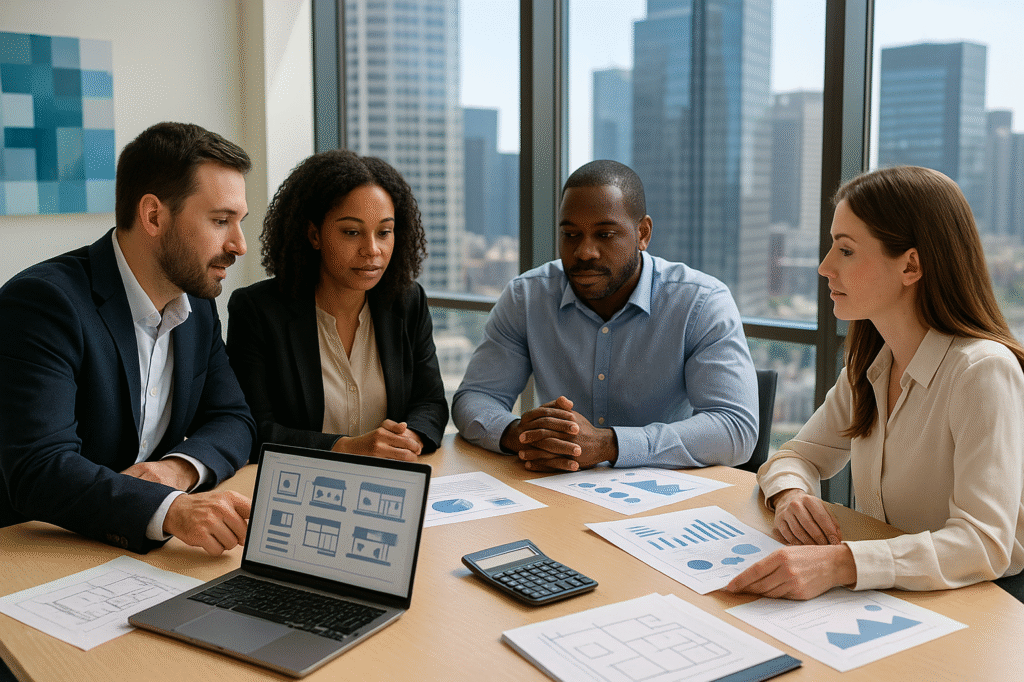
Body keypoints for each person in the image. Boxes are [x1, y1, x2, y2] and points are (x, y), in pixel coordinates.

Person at [725, 166, 1024, 600]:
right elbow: (795, 456)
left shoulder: (982, 372)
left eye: (846, 250)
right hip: (889, 596)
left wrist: (841, 563)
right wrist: (791, 496)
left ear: (911, 265)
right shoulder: (870, 366)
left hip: (980, 603)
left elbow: (983, 543)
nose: (825, 266)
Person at [0, 122, 256, 556]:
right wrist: (170, 510)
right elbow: (40, 468)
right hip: (37, 549)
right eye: (220, 221)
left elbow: (234, 418)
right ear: (153, 215)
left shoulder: (197, 306)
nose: (239, 244)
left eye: (239, 222)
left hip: (128, 553)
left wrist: (176, 471)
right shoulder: (43, 303)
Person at [452, 160, 758, 471]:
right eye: (570, 235)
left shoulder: (701, 302)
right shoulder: (526, 297)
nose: (585, 252)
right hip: (555, 489)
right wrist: (523, 435)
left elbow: (735, 429)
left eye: (605, 235)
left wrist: (608, 444)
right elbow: (475, 397)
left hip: (663, 496)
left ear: (643, 233)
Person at [226, 150, 447, 462]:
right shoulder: (258, 310)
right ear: (314, 234)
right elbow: (253, 428)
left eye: (384, 232)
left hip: (391, 482)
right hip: (300, 486)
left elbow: (431, 402)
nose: (372, 250)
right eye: (351, 232)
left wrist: (409, 438)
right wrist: (346, 448)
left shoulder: (407, 302)